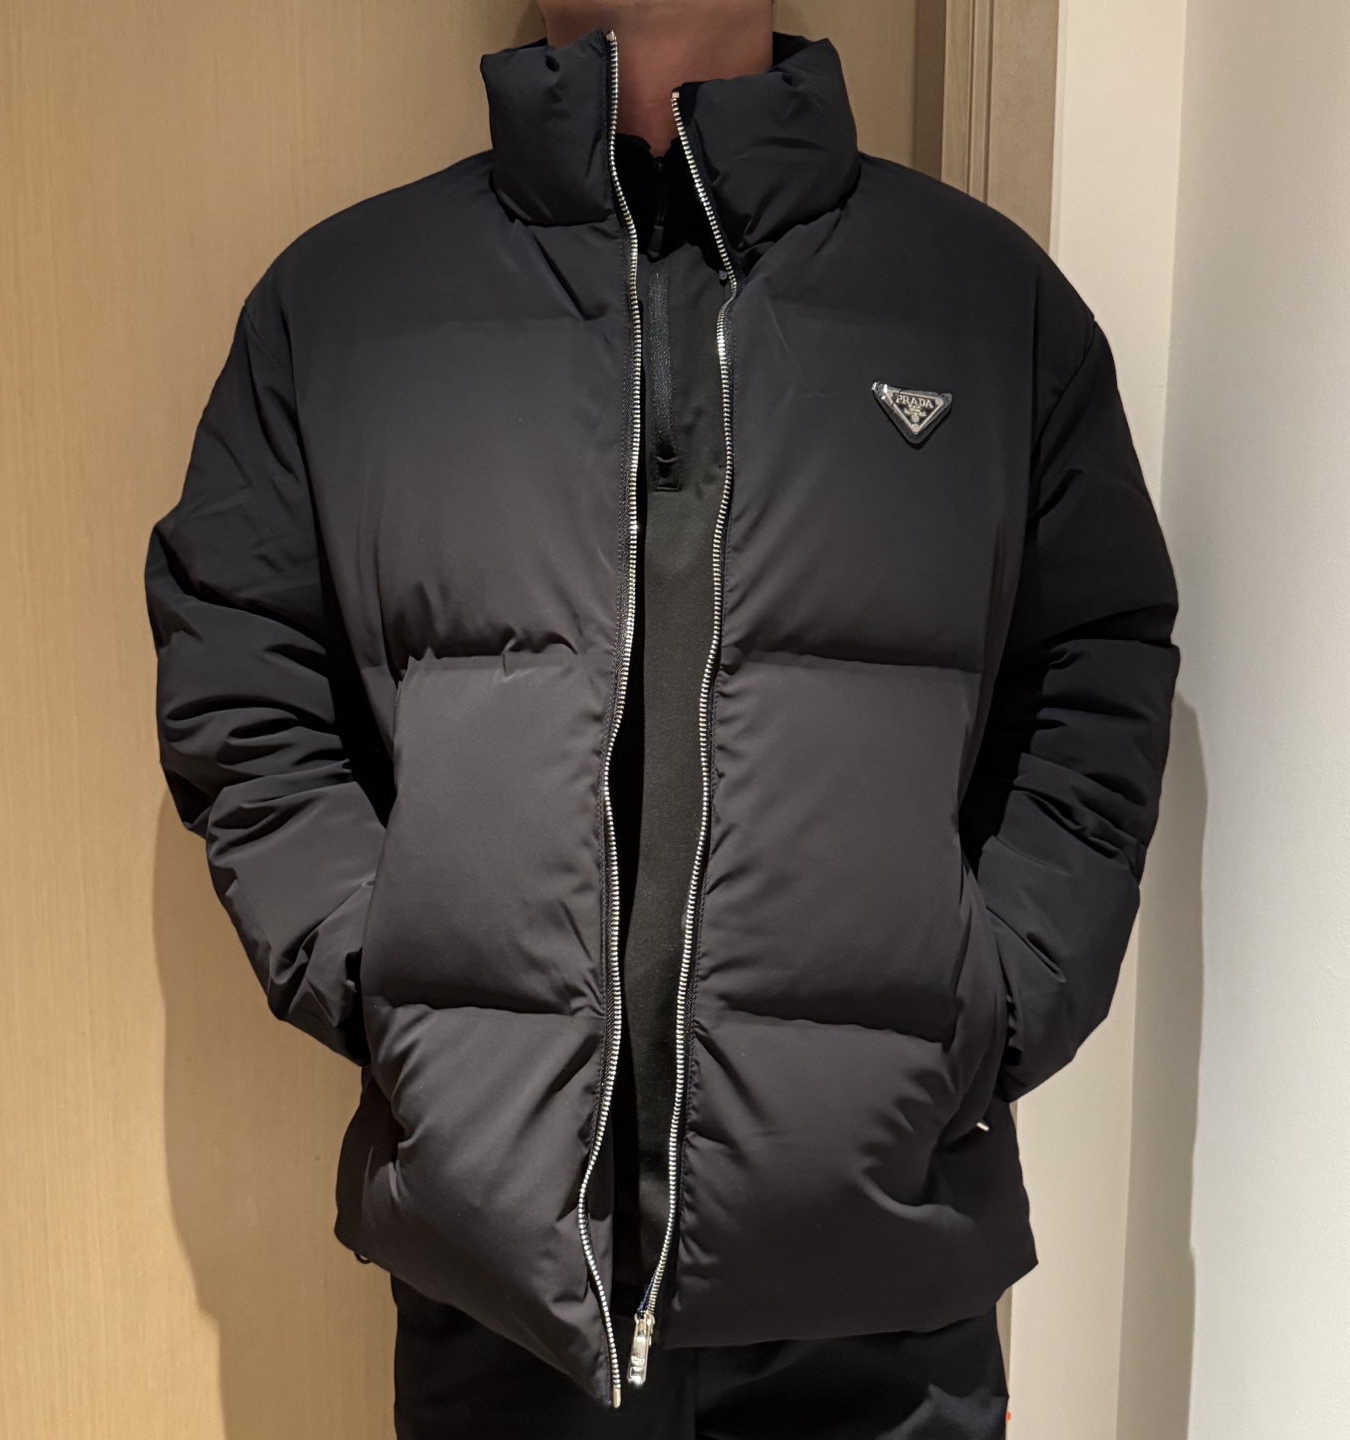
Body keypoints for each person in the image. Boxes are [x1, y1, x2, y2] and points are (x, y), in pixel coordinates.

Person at [146, 1, 1178, 1434]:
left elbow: (1096, 676)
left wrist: (989, 1002)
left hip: (878, 1291)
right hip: (502, 1298)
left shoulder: (994, 307)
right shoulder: (338, 307)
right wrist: (387, 984)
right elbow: (242, 678)